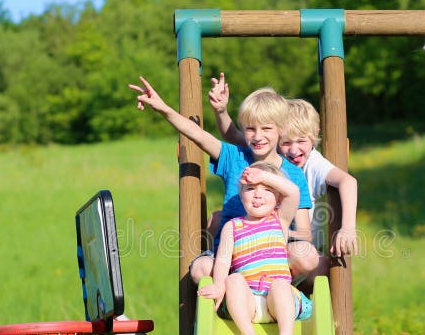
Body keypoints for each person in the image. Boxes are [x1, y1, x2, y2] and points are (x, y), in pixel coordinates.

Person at [129, 76, 318, 283]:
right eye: (250, 128)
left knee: (307, 255)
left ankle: (274, 284)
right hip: (230, 255)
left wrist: (270, 231)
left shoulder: (294, 174)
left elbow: (304, 233)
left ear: (281, 129)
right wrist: (163, 108)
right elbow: (197, 134)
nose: (257, 136)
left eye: (266, 128)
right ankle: (229, 288)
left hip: (272, 255)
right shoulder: (233, 157)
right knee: (200, 269)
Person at [208, 73, 358, 278]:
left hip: (294, 241)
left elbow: (348, 181)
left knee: (321, 265)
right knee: (217, 219)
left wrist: (348, 228)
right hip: (259, 237)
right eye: (286, 143)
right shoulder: (271, 153)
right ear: (278, 137)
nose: (293, 150)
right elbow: (233, 136)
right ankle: (220, 263)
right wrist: (222, 111)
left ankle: (286, 285)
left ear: (314, 136)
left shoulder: (314, 163)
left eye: (301, 141)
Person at [198, 162, 311, 335]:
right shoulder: (232, 227)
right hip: (249, 304)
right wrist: (217, 285)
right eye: (251, 189)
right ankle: (248, 334)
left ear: (277, 198)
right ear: (242, 196)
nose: (258, 195)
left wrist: (262, 177)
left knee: (280, 285)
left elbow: (293, 192)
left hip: (278, 303)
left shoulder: (279, 220)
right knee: (233, 279)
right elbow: (223, 260)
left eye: (267, 190)